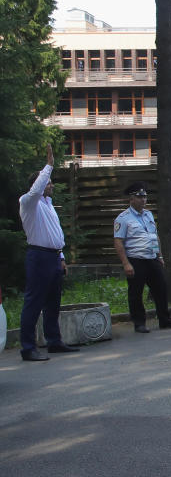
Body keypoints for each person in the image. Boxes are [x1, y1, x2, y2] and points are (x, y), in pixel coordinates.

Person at [19, 145, 80, 361]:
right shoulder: (28, 202)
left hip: (53, 256)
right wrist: (49, 166)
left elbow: (55, 234)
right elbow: (36, 190)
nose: (51, 185)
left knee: (53, 302)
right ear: (38, 184)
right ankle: (28, 347)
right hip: (39, 257)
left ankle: (54, 341)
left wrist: (61, 257)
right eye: (48, 182)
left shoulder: (49, 205)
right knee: (34, 302)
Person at [113, 181, 171, 333]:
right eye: (140, 197)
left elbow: (154, 236)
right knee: (136, 292)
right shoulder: (123, 218)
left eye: (145, 197)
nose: (143, 200)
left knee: (161, 288)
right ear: (131, 199)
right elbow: (118, 241)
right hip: (136, 259)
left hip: (152, 258)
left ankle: (165, 320)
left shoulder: (148, 214)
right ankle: (139, 323)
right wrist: (126, 263)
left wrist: (160, 255)